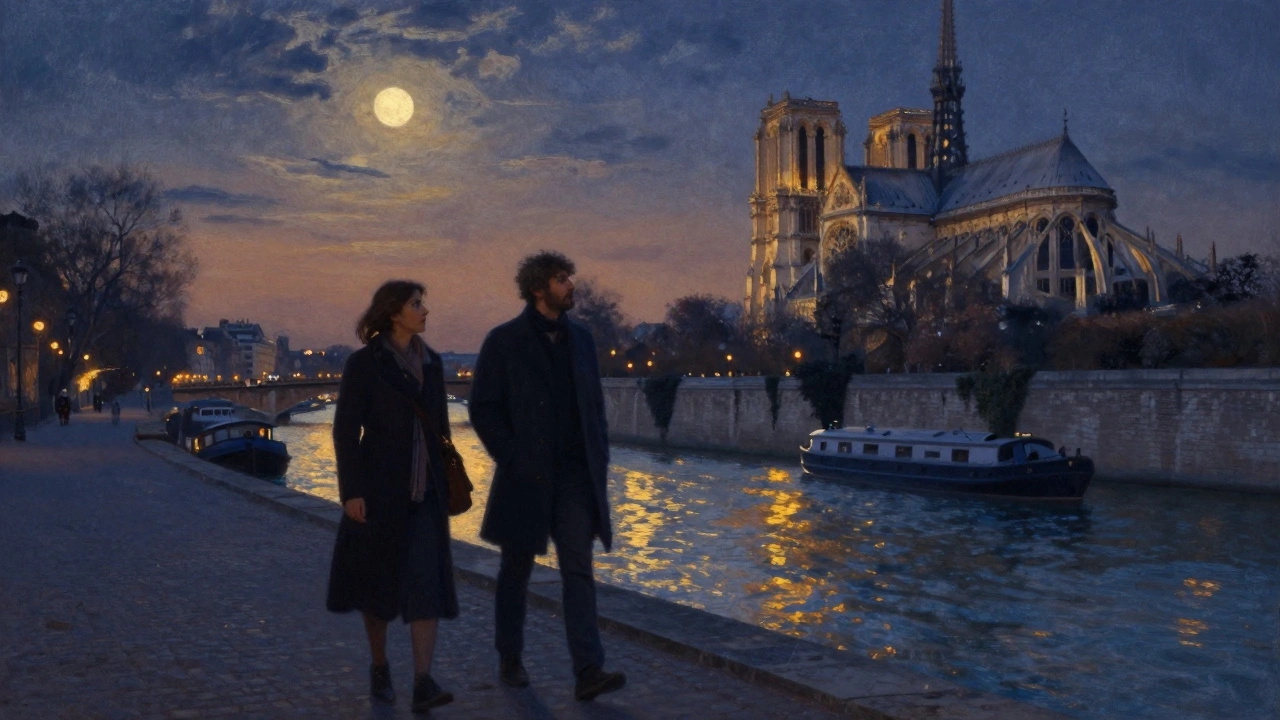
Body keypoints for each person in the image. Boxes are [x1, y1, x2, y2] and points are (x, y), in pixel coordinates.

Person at [469, 251, 627, 701]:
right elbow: (484, 408)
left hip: (576, 476)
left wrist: (600, 455)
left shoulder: (580, 338)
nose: (571, 285)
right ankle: (510, 656)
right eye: (562, 279)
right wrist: (512, 457)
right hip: (527, 475)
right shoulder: (504, 340)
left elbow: (594, 406)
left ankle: (588, 669)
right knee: (515, 570)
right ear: (539, 288)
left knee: (578, 568)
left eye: (569, 278)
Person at [325, 280, 458, 712]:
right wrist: (352, 492)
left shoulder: (433, 364)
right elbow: (346, 431)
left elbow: (441, 429)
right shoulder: (364, 365)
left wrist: (447, 480)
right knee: (377, 590)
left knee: (426, 589)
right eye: (416, 304)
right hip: (380, 494)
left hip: (426, 496)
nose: (425, 311)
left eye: (423, 303)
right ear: (393, 313)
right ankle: (380, 666)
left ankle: (423, 681)